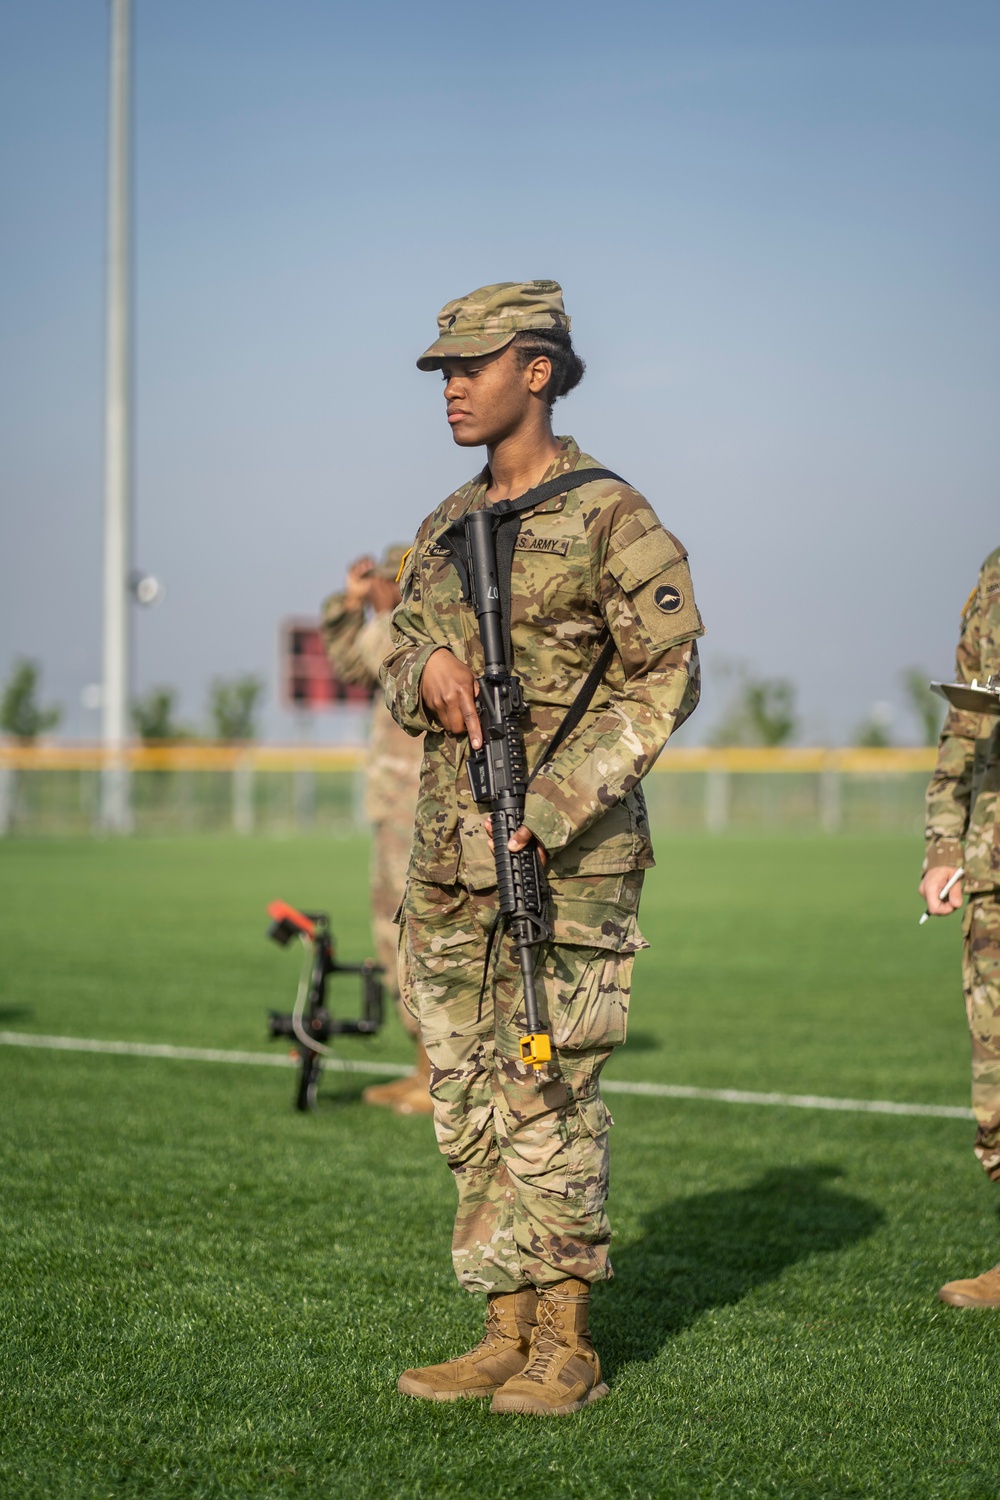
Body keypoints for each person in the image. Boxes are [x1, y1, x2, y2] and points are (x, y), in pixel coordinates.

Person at [381, 281, 704, 1414]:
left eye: (471, 364)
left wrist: (558, 801)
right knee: (467, 1095)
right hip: (446, 861)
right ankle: (500, 1325)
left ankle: (566, 1340)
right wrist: (420, 669)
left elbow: (669, 675)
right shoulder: (440, 526)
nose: (453, 386)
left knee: (547, 1087)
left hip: (563, 862)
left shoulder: (612, 513)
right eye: (442, 370)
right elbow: (397, 652)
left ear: (540, 368)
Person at [322, 545, 431, 1116]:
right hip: (398, 810)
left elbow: (367, 657)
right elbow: (349, 664)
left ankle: (439, 1077)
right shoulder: (395, 628)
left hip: (418, 810)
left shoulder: (413, 626)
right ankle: (424, 1068)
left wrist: (373, 606)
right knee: (396, 940)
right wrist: (350, 605)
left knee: (414, 939)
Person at [919, 545, 1000, 1307]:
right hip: (993, 864)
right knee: (997, 1082)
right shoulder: (994, 577)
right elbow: (966, 722)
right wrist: (944, 844)